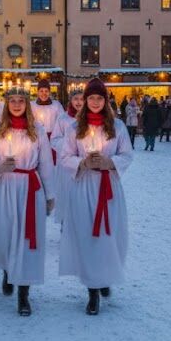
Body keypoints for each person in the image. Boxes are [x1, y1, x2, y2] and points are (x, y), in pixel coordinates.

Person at [0, 86, 55, 316]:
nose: (18, 104)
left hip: (29, 188)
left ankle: (24, 293)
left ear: (27, 104)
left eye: (22, 100)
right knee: (5, 234)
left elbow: (46, 164)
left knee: (26, 241)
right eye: (13, 100)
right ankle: (7, 270)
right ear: (7, 103)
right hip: (3, 187)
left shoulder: (37, 130)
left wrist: (50, 195)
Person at [59, 78, 133, 316]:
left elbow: (127, 155)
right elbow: (65, 157)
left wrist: (109, 162)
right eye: (91, 98)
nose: (94, 102)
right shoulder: (74, 129)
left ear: (106, 100)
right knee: (88, 236)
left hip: (108, 187)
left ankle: (106, 276)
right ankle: (92, 290)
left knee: (108, 235)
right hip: (84, 187)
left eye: (99, 98)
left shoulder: (118, 127)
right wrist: (82, 162)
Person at [50, 89, 83, 223]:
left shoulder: (90, 118)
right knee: (67, 194)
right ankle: (65, 224)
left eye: (81, 99)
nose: (79, 102)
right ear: (71, 100)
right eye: (76, 99)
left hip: (84, 163)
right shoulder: (63, 118)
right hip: (66, 165)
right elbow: (55, 139)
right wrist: (69, 143)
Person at [31, 79, 64, 159]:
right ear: (37, 92)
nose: (44, 93)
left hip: (53, 137)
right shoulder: (32, 105)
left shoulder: (56, 105)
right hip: (38, 137)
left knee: (53, 160)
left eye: (46, 91)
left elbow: (62, 121)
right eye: (41, 91)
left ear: (49, 92)